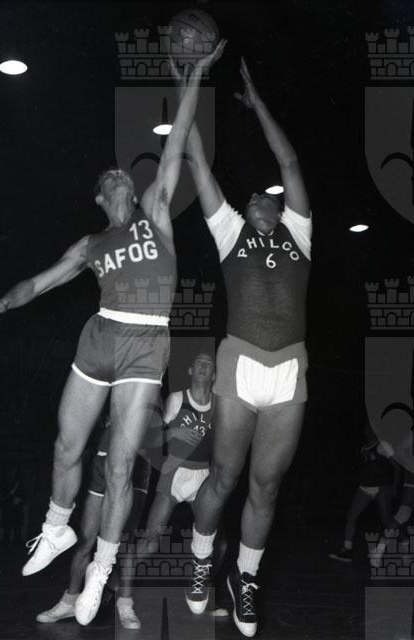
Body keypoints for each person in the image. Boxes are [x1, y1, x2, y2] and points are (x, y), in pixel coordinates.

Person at [0, 42, 226, 626]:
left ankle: (103, 572)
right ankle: (56, 528)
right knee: (67, 445)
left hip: (145, 343)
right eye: (107, 178)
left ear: (132, 191)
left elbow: (175, 145)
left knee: (120, 467)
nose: (116, 177)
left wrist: (194, 79)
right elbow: (40, 282)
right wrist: (2, 302)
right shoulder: (90, 244)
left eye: (121, 175)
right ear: (99, 198)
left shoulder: (155, 212)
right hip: (100, 336)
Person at [181, 58, 312, 637]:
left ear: (280, 209)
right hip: (238, 361)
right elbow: (196, 160)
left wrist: (257, 103)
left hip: (289, 370)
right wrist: (189, 80)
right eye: (252, 194)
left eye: (266, 194)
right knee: (224, 477)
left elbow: (289, 162)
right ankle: (201, 559)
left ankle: (246, 578)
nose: (258, 194)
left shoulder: (299, 233)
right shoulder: (230, 231)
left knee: (267, 485)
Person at [124, 351, 227, 623]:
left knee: (219, 546)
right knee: (150, 543)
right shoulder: (177, 399)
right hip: (175, 474)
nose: (203, 366)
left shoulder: (219, 405)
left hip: (203, 476)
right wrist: (173, 432)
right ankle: (118, 592)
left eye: (209, 364)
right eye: (199, 362)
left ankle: (200, 594)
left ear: (214, 375)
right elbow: (151, 438)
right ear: (191, 371)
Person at [36, 412, 151, 629]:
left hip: (135, 463)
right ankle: (69, 601)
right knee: (85, 538)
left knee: (125, 541)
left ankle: (125, 604)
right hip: (104, 457)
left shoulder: (151, 396)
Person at [329, 424, 400, 564]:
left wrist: (394, 488)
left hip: (381, 487)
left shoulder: (383, 445)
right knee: (351, 515)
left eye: (370, 428)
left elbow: (397, 467)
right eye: (366, 428)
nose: (367, 430)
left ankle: (403, 541)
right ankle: (347, 550)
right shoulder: (364, 448)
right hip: (365, 487)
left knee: (387, 520)